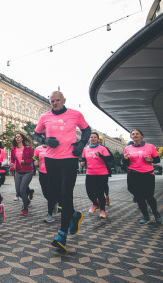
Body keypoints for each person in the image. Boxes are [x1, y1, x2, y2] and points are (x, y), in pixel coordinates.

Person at [34, 91, 91, 251]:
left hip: (69, 159)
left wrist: (81, 145)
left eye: (57, 100)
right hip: (51, 160)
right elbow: (36, 134)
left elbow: (86, 130)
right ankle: (74, 215)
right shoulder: (45, 117)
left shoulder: (75, 114)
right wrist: (45, 140)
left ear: (64, 100)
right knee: (54, 194)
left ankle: (62, 234)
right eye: (52, 101)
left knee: (67, 194)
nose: (55, 103)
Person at [122, 129, 162, 224]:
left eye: (137, 134)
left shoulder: (150, 147)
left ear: (141, 136)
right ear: (131, 137)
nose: (135, 135)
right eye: (133, 134)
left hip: (147, 174)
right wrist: (125, 159)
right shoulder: (127, 148)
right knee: (137, 194)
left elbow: (157, 159)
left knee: (149, 196)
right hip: (133, 173)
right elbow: (125, 163)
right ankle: (146, 216)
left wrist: (151, 160)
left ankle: (155, 212)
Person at [80, 132, 112, 219]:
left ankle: (102, 210)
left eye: (95, 137)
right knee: (89, 191)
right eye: (91, 137)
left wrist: (100, 155)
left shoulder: (102, 148)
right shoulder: (85, 149)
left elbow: (109, 159)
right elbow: (83, 158)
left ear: (98, 139)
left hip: (102, 174)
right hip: (90, 173)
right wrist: (82, 162)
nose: (93, 138)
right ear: (89, 139)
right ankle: (95, 203)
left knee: (100, 193)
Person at [11, 133, 35, 216]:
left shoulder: (28, 148)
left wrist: (25, 161)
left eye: (19, 137)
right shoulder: (13, 149)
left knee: (22, 190)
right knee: (18, 191)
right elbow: (12, 159)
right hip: (18, 171)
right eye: (16, 137)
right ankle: (27, 200)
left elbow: (33, 158)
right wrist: (12, 164)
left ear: (22, 139)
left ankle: (25, 208)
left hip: (28, 171)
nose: (17, 138)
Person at [34, 144, 56, 223]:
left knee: (50, 192)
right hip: (42, 173)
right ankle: (54, 202)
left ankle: (49, 214)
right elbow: (34, 157)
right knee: (45, 192)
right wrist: (35, 161)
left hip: (53, 173)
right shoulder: (38, 148)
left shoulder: (54, 147)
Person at [98, 135, 113, 206]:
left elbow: (111, 158)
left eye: (100, 140)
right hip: (94, 170)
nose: (98, 141)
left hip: (104, 169)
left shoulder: (105, 148)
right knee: (96, 185)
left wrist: (101, 156)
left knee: (104, 184)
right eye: (98, 139)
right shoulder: (90, 148)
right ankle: (99, 199)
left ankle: (107, 197)